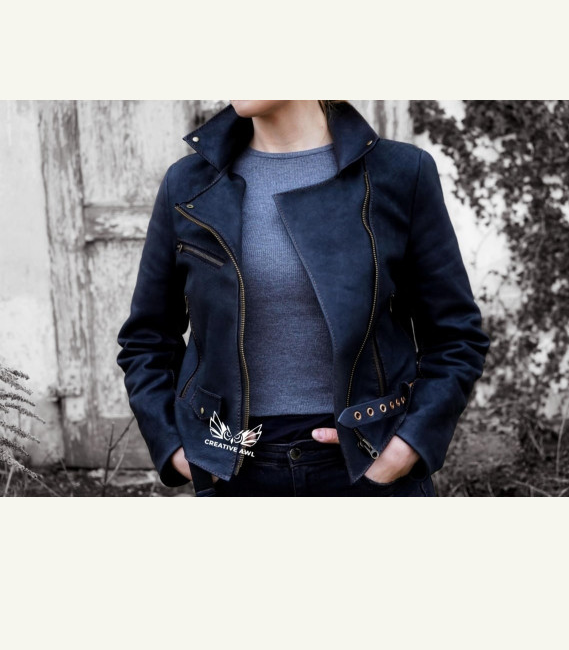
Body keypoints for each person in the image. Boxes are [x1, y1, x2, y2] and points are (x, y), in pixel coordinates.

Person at [116, 100, 490, 496]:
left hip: (368, 464)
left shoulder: (399, 172)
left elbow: (455, 336)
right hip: (234, 471)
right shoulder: (189, 183)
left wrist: (407, 446)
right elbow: (147, 339)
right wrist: (176, 448)